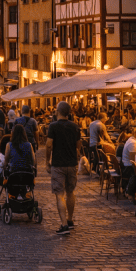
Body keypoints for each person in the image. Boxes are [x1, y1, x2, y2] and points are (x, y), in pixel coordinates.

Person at [45, 101, 82, 236]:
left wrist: (47, 162)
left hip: (58, 164)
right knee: (70, 192)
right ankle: (70, 220)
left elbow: (49, 145)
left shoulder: (53, 126)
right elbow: (79, 145)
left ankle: (64, 224)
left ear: (57, 111)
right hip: (72, 164)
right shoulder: (75, 127)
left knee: (59, 194)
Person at [120, 127, 136, 198]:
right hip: (128, 167)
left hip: (127, 165)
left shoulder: (133, 141)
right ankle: (130, 192)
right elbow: (133, 160)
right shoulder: (133, 143)